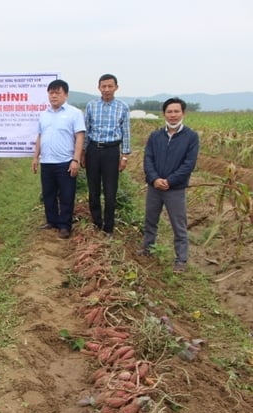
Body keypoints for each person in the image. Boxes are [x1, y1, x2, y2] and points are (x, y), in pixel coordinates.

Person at [139, 97, 199, 273]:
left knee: (178, 224)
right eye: (169, 111)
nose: (173, 115)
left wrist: (170, 180)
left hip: (175, 189)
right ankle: (148, 248)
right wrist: (155, 178)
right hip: (155, 187)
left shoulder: (190, 137)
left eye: (176, 111)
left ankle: (181, 259)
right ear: (164, 113)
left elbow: (189, 164)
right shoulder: (156, 136)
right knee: (151, 220)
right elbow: (148, 158)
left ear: (183, 113)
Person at [31, 79, 85, 239]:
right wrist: (35, 157)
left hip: (65, 162)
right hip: (47, 161)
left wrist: (75, 160)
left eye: (57, 92)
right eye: (51, 93)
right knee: (48, 193)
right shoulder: (44, 115)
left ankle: (65, 225)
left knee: (67, 195)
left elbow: (80, 137)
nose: (53, 96)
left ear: (66, 95)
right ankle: (52, 220)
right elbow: (40, 136)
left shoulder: (74, 113)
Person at [83, 73, 131, 238]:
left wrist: (124, 156)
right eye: (103, 86)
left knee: (111, 191)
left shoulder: (122, 107)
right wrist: (83, 152)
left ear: (116, 87)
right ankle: (96, 223)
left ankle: (108, 228)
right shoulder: (91, 106)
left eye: (110, 86)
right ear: (99, 88)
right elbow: (86, 130)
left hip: (112, 151)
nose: (107, 89)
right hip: (93, 151)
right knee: (93, 189)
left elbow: (126, 132)